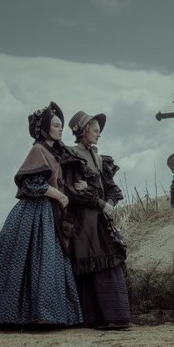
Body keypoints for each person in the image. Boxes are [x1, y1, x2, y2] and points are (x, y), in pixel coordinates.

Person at [0, 102, 83, 327]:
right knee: (26, 262)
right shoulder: (38, 150)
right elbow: (31, 183)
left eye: (61, 125)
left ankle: (46, 314)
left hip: (50, 214)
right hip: (34, 212)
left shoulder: (54, 152)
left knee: (47, 263)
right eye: (56, 125)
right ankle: (24, 314)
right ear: (44, 128)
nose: (60, 129)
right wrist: (60, 196)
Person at [64, 110, 130, 329]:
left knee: (109, 258)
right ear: (83, 131)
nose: (98, 134)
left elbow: (112, 188)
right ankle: (94, 318)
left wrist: (108, 203)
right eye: (95, 130)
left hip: (101, 219)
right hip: (84, 220)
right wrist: (101, 202)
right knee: (92, 260)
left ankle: (115, 316)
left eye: (99, 131)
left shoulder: (99, 157)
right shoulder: (72, 155)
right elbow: (75, 192)